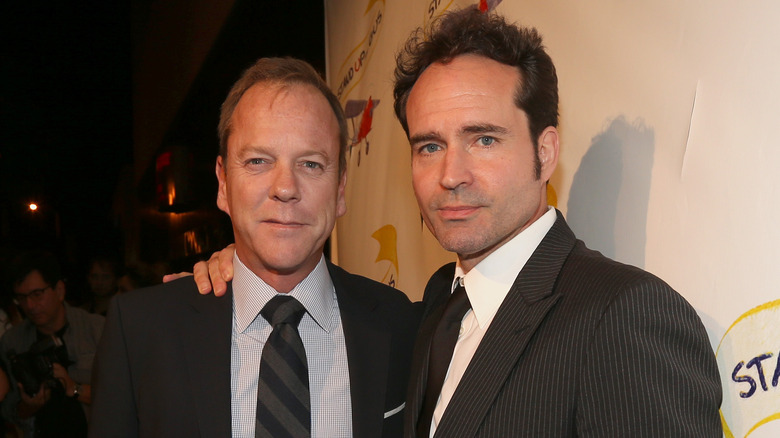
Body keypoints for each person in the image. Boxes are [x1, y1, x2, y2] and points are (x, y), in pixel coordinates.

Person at [192, 7, 723, 437]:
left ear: (546, 151)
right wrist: (247, 270)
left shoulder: (624, 316)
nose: (451, 174)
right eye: (430, 145)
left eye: (484, 139)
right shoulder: (436, 307)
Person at [89, 57, 421, 437]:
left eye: (311, 164)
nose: (285, 188)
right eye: (259, 161)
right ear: (223, 184)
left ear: (341, 189)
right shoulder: (141, 332)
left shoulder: (402, 326)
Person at [0, 250, 104, 438]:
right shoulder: (13, 341)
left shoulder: (97, 330)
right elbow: (9, 411)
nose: (30, 305)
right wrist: (29, 406)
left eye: (37, 294)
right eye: (22, 298)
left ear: (59, 290)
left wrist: (73, 388)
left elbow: (122, 395)